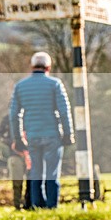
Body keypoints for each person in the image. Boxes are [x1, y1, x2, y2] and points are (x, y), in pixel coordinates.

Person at [9, 51, 75, 209]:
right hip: (52, 135)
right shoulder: (55, 84)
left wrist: (18, 138)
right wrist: (68, 134)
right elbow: (64, 111)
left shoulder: (20, 86)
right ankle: (52, 206)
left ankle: (37, 205)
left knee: (35, 173)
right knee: (52, 173)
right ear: (48, 67)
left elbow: (14, 115)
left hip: (32, 135)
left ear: (32, 67)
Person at [0, 114, 31, 210]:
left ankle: (29, 204)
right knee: (17, 181)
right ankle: (17, 205)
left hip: (32, 154)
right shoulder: (8, 118)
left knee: (32, 182)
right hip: (15, 155)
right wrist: (11, 143)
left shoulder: (32, 115)